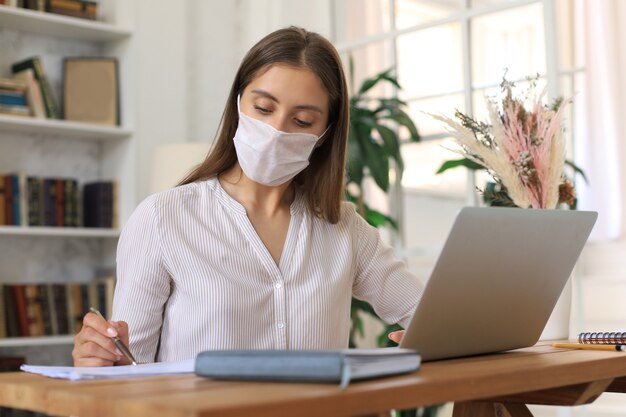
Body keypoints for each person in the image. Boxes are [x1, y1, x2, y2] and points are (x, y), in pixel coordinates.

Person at [72, 26, 423, 367]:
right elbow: (129, 368)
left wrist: (429, 339)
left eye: (302, 121)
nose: (276, 131)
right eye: (264, 109)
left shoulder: (346, 229)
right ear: (239, 105)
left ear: (325, 135)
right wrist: (99, 358)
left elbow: (430, 315)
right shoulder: (163, 219)